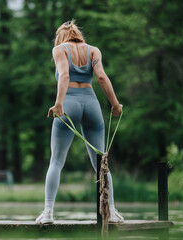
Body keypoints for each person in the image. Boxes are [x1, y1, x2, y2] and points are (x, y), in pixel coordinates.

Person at [35, 20, 124, 225]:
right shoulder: (93, 50)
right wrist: (115, 104)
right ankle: (111, 211)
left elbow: (64, 75)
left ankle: (48, 212)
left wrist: (58, 104)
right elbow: (101, 77)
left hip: (69, 104)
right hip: (91, 104)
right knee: (101, 164)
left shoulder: (59, 50)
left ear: (60, 37)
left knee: (56, 161)